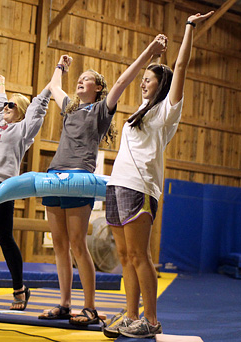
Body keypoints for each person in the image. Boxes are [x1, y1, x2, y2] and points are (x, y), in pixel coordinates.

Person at [38, 35, 169, 326]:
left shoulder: (100, 110)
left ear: (98, 88)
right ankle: (64, 303)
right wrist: (61, 66)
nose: (80, 81)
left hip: (79, 177)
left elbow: (122, 82)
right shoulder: (70, 108)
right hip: (54, 173)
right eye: (79, 79)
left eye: (86, 79)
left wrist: (149, 52)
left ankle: (89, 307)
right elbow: (54, 87)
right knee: (59, 243)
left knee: (76, 243)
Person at [104, 11, 214, 339]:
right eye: (144, 78)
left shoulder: (167, 112)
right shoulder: (139, 112)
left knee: (140, 255)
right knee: (124, 255)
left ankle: (151, 320)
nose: (144, 81)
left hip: (141, 188)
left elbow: (179, 67)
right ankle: (131, 314)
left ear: (161, 84)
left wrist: (189, 26)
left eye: (149, 78)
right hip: (117, 184)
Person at [0, 74, 51, 310]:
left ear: (22, 112)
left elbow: (38, 109)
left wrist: (53, 79)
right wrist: (0, 85)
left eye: (12, 105)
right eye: (6, 104)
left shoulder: (23, 130)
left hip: (1, 187)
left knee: (4, 239)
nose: (6, 107)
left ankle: (19, 289)